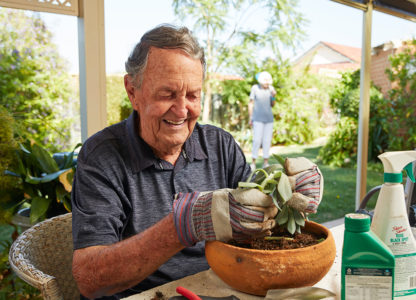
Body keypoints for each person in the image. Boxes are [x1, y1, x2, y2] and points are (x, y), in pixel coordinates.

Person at [71, 24, 322, 299]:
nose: (181, 110)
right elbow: (89, 278)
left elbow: (260, 233)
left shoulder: (220, 145)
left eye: (192, 95)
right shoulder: (101, 156)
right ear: (133, 91)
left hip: (220, 288)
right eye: (167, 94)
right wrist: (184, 225)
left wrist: (286, 195)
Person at [248, 71, 276, 170]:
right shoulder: (255, 88)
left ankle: (265, 163)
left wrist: (273, 96)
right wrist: (250, 117)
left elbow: (272, 105)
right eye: (265, 82)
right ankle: (253, 163)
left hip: (269, 119)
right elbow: (251, 103)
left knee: (267, 141)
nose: (267, 84)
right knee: (256, 140)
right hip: (257, 119)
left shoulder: (271, 89)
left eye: (268, 82)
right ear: (261, 81)